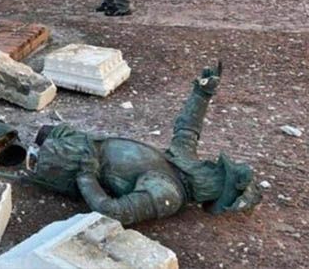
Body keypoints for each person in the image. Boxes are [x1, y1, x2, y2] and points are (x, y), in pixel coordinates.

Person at [21, 63, 262, 225]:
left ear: (214, 189)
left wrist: (87, 174)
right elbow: (188, 130)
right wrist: (202, 94)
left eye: (216, 171)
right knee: (44, 131)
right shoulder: (185, 165)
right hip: (88, 142)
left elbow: (112, 211)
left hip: (76, 161)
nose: (211, 164)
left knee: (15, 144)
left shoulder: (167, 193)